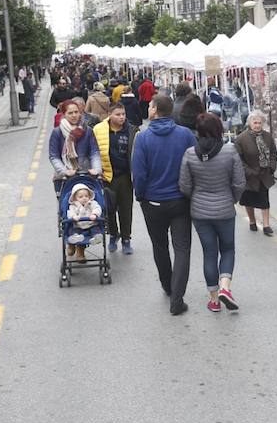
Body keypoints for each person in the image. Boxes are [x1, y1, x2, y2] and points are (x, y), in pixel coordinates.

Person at [132, 95, 197, 315]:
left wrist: (139, 195)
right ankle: (177, 299)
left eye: (150, 106)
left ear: (154, 111)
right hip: (180, 200)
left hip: (153, 201)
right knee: (182, 248)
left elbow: (139, 173)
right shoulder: (186, 135)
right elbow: (195, 165)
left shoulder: (142, 138)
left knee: (159, 247)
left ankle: (168, 285)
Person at [179, 113, 246, 312]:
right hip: (225, 209)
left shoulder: (190, 153)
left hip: (200, 212)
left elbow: (184, 185)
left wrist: (197, 198)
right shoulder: (230, 151)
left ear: (198, 131)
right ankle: (226, 287)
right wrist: (231, 198)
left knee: (209, 252)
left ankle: (214, 299)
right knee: (228, 249)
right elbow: (239, 182)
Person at [92, 103, 137, 255]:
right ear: (109, 114)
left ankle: (126, 239)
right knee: (108, 209)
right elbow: (94, 152)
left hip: (125, 176)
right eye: (118, 114)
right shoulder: (98, 130)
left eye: (123, 114)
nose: (122, 117)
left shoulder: (131, 131)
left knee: (126, 209)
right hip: (106, 176)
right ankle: (113, 235)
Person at [235, 110, 277, 236]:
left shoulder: (267, 136)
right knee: (249, 200)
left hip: (264, 174)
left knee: (264, 200)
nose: (257, 125)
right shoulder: (241, 139)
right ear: (249, 123)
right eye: (255, 122)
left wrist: (271, 167)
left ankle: (266, 225)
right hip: (249, 176)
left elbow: (274, 153)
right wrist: (249, 172)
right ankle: (252, 221)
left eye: (260, 123)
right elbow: (238, 159)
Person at [48, 100, 102, 195]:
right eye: (70, 113)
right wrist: (65, 171)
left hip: (87, 174)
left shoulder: (87, 130)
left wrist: (96, 169)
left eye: (76, 112)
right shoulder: (57, 132)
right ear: (64, 114)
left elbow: (94, 152)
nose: (74, 115)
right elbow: (54, 156)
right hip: (64, 176)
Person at [65, 183, 103, 259]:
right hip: (78, 225)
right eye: (80, 197)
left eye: (86, 196)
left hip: (91, 224)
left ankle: (96, 237)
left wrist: (94, 214)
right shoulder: (73, 206)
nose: (84, 198)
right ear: (75, 198)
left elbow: (97, 208)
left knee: (95, 230)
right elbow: (70, 212)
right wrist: (73, 217)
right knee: (73, 230)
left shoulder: (92, 203)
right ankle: (75, 238)